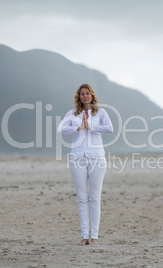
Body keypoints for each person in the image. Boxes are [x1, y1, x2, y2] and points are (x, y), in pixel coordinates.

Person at [57, 83, 113, 246]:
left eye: (87, 93)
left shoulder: (100, 112)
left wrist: (91, 126)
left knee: (95, 197)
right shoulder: (72, 113)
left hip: (97, 158)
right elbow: (61, 129)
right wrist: (78, 126)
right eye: (82, 94)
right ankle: (84, 236)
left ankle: (94, 237)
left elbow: (110, 128)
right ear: (79, 97)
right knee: (82, 198)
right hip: (77, 159)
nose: (85, 96)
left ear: (92, 95)